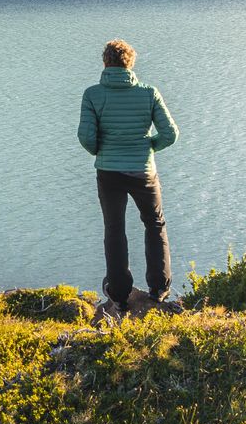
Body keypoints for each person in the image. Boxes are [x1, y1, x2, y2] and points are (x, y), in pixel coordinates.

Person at [76, 38, 180, 316]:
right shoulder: (149, 93)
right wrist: (147, 148)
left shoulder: (93, 94)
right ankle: (159, 289)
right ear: (131, 63)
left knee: (114, 229)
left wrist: (102, 150)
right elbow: (170, 134)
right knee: (155, 224)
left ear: (105, 63)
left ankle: (120, 296)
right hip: (144, 171)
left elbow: (85, 137)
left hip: (109, 171)